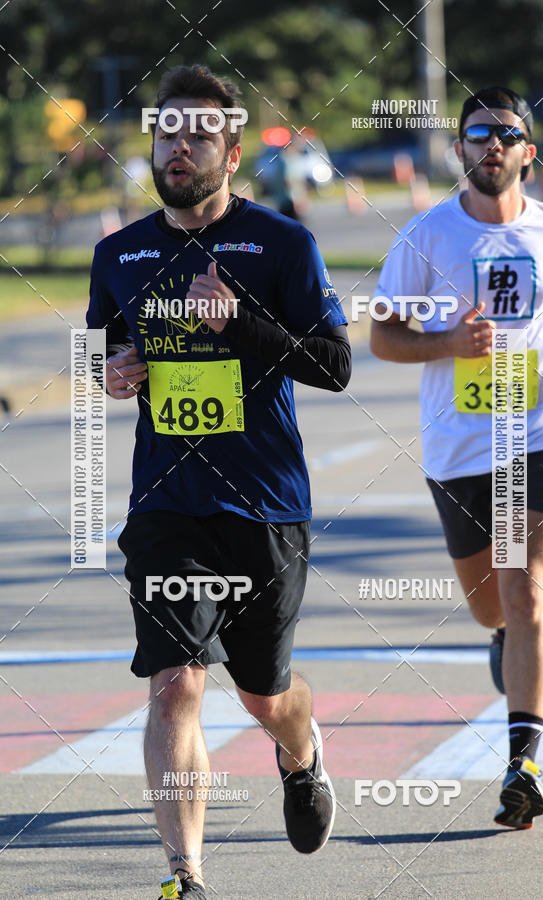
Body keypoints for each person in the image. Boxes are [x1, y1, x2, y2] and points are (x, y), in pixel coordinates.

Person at [86, 64, 350, 898]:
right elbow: (103, 351)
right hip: (166, 502)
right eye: (167, 129)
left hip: (264, 501)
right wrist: (114, 373)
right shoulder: (117, 253)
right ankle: (185, 875)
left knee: (265, 696)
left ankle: (302, 755)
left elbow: (336, 367)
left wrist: (240, 321)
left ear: (232, 153)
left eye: (200, 132)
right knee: (174, 687)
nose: (180, 144)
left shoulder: (281, 245)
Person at [371, 86, 543, 829]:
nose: (491, 144)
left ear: (528, 154)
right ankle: (505, 636)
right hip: (459, 447)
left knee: (526, 587)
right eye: (477, 134)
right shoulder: (425, 236)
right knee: (492, 606)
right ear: (461, 151)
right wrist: (446, 344)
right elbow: (382, 337)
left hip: (539, 434)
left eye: (505, 134)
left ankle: (523, 761)